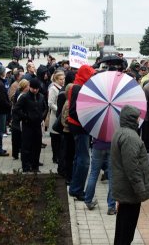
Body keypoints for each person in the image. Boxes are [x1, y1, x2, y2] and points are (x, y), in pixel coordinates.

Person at [111, 105, 149, 245]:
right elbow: (133, 168)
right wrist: (141, 190)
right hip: (130, 191)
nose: (138, 121)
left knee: (123, 225)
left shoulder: (121, 132)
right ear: (131, 119)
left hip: (124, 188)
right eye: (136, 118)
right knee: (127, 228)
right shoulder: (130, 137)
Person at [67, 65, 96, 200]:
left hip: (78, 126)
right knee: (84, 160)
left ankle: (74, 187)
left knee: (79, 158)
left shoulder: (78, 86)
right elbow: (74, 111)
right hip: (80, 127)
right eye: (90, 76)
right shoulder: (78, 88)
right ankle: (77, 190)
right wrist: (88, 119)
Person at [14, 78, 47, 172]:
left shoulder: (41, 96)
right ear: (30, 88)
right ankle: (26, 166)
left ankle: (35, 166)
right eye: (33, 88)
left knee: (37, 146)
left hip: (37, 125)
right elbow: (16, 109)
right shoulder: (24, 97)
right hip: (27, 125)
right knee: (26, 146)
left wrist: (42, 117)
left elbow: (45, 108)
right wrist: (25, 117)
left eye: (37, 88)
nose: (35, 90)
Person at [48, 70, 65, 163]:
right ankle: (55, 157)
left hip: (61, 116)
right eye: (60, 79)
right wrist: (59, 109)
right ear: (56, 79)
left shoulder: (63, 88)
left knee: (60, 138)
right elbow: (50, 103)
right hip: (55, 116)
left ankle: (59, 156)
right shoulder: (53, 88)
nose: (62, 81)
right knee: (55, 138)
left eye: (63, 79)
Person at [10, 79, 30, 160]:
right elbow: (18, 108)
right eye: (27, 86)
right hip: (19, 119)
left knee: (16, 137)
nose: (29, 87)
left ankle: (15, 153)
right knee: (18, 136)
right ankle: (18, 152)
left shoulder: (19, 93)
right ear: (24, 87)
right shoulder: (22, 95)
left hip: (16, 118)